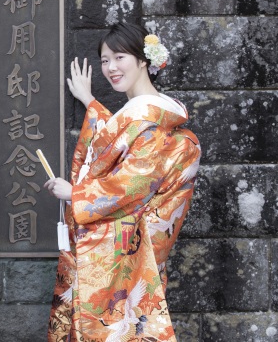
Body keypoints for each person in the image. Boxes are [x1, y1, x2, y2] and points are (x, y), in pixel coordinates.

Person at [44, 22, 201, 342]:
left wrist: (75, 194)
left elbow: (131, 185)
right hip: (131, 244)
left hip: (124, 246)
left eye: (119, 57)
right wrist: (90, 102)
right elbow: (121, 144)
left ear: (144, 60)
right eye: (105, 60)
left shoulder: (148, 119)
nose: (111, 68)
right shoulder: (152, 115)